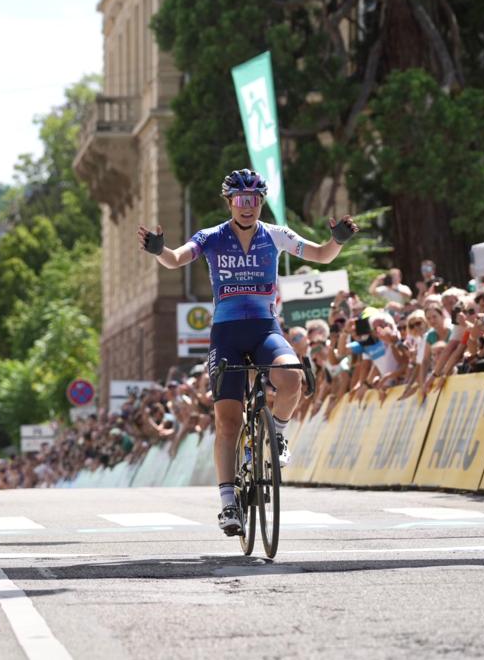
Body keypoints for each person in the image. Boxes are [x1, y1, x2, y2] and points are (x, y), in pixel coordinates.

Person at [136, 168, 358, 536]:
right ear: (229, 203)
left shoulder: (275, 234)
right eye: (241, 200)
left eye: (254, 200)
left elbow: (320, 254)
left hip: (264, 330)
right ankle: (227, 505)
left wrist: (337, 241)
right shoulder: (210, 237)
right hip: (226, 335)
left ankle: (279, 432)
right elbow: (177, 258)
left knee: (292, 377)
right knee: (228, 422)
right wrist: (160, 251)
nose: (248, 207)